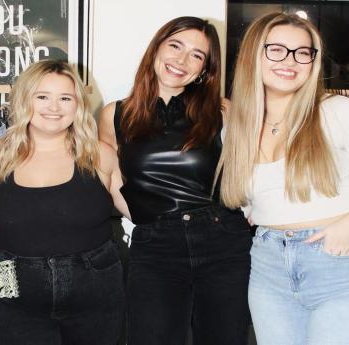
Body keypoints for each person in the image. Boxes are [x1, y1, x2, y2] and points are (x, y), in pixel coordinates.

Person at [217, 12, 349, 345]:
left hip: (343, 265)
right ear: (253, 54)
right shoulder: (235, 128)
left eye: (302, 52)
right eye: (276, 49)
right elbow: (250, 197)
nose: (290, 61)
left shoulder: (337, 111)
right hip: (269, 269)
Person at [99, 16, 252, 345]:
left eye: (197, 55)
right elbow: (111, 177)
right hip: (156, 246)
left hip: (222, 242)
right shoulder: (114, 114)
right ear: (156, 48)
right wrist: (142, 217)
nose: (182, 60)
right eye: (176, 46)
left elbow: (252, 173)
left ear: (205, 69)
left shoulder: (224, 112)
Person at [0, 60, 128, 345]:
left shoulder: (100, 155)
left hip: (95, 288)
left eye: (65, 98)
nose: (54, 107)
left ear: (78, 105)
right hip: (13, 287)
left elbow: (144, 213)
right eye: (42, 97)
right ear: (25, 100)